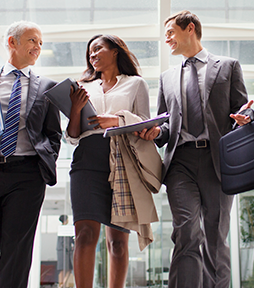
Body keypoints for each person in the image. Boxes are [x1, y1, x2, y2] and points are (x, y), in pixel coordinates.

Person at [0, 21, 85, 288]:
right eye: (32, 40)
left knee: (17, 251)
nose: (37, 47)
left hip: (28, 175)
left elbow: (53, 134)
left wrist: (46, 157)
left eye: (40, 43)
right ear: (11, 42)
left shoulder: (47, 87)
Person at [136, 10, 254, 288]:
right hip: (181, 162)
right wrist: (155, 132)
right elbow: (166, 125)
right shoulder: (166, 77)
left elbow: (244, 109)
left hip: (218, 161)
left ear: (190, 29)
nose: (166, 39)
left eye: (170, 33)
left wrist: (245, 118)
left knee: (215, 236)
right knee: (186, 231)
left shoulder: (227, 66)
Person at [66, 34, 155, 288]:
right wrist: (75, 108)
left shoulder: (136, 84)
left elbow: (146, 126)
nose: (92, 55)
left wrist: (116, 120)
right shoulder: (83, 86)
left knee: (117, 241)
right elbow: (72, 136)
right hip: (86, 162)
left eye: (97, 49)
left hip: (122, 161)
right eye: (89, 53)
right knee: (84, 235)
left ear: (115, 51)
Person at [57, 215, 74, 288]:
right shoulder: (63, 229)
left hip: (65, 250)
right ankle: (61, 284)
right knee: (65, 268)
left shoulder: (64, 229)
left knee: (67, 268)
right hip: (64, 251)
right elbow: (65, 241)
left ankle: (62, 284)